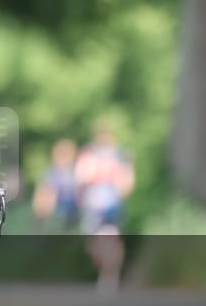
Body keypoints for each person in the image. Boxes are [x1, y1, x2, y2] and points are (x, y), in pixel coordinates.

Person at [75, 119, 135, 295]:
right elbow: (81, 178)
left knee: (112, 240)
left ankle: (110, 275)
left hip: (112, 206)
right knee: (95, 245)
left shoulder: (120, 157)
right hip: (92, 207)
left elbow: (127, 184)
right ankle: (105, 270)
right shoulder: (88, 155)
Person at [33, 139, 79, 230]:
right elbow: (42, 194)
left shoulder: (78, 171)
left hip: (76, 207)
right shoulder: (50, 173)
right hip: (57, 209)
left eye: (66, 155)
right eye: (61, 155)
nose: (64, 159)